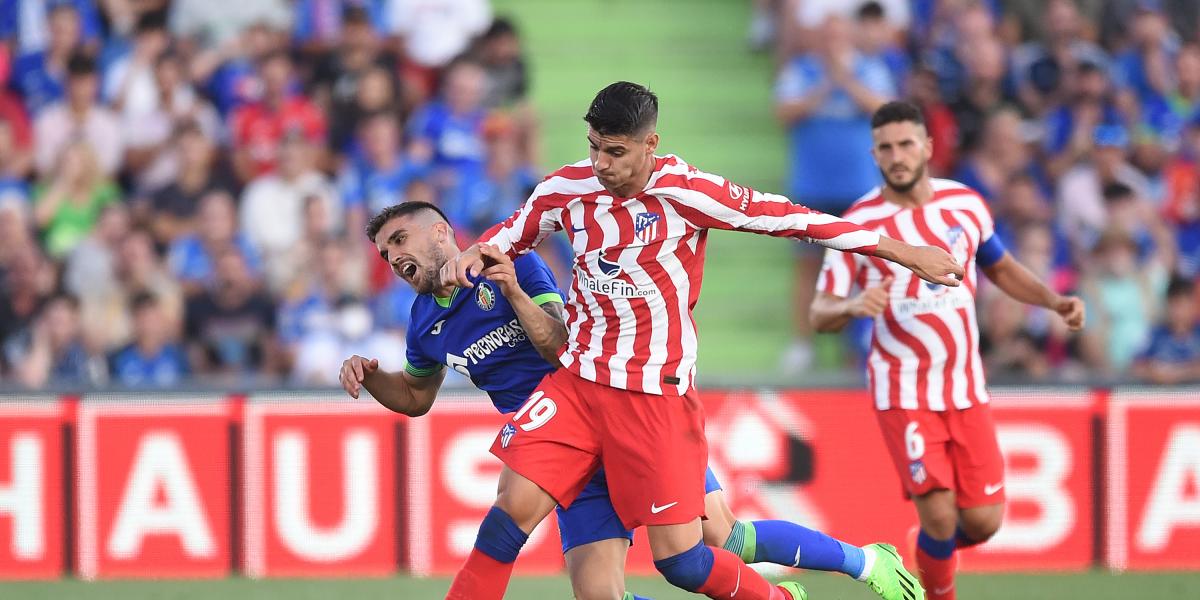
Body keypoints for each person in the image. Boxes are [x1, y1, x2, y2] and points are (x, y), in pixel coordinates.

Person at [435, 82, 963, 600]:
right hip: (578, 384)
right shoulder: (565, 190)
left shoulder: (687, 193)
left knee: (686, 560)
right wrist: (472, 256)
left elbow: (791, 219)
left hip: (652, 398)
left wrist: (902, 251)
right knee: (507, 516)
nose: (601, 164)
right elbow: (510, 234)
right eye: (594, 147)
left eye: (616, 152)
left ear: (650, 145)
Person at [344, 201, 929, 600]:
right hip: (559, 445)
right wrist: (372, 376)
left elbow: (559, 346)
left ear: (442, 233)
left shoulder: (513, 260)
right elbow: (417, 396)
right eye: (382, 253)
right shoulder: (423, 323)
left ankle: (866, 561)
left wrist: (514, 292)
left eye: (399, 239)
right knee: (597, 592)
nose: (392, 258)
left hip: (620, 405)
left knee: (718, 543)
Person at [809, 101, 1086, 600]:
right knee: (938, 511)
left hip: (965, 387)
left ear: (928, 147)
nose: (897, 156)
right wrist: (852, 306)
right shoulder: (858, 223)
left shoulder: (965, 204)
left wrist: (1052, 300)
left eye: (906, 144)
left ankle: (928, 550)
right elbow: (818, 313)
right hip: (903, 391)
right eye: (886, 147)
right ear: (874, 154)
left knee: (982, 522)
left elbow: (1000, 268)